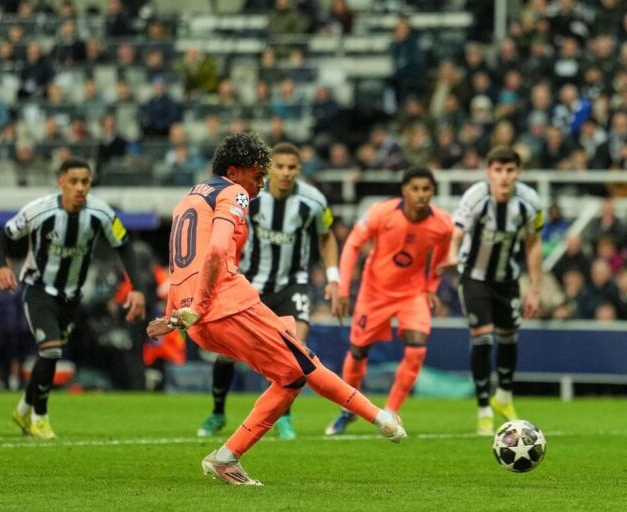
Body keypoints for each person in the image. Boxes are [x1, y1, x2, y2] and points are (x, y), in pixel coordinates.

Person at [147, 133, 405, 486]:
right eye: (257, 175)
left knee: (292, 375)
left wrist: (177, 313)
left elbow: (180, 264)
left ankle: (227, 457)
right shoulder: (234, 192)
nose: (262, 183)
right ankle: (382, 419)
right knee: (305, 364)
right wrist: (201, 304)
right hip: (227, 306)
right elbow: (216, 250)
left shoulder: (189, 198)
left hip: (198, 318)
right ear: (234, 172)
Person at [0, 157, 146, 440]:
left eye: (85, 182)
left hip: (71, 297)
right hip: (38, 289)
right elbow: (1, 237)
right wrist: (2, 266)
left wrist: (137, 287)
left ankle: (23, 409)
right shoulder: (40, 210)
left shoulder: (100, 213)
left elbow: (124, 246)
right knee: (51, 350)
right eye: (73, 181)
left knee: (47, 355)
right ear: (60, 182)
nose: (80, 187)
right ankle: (39, 419)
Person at [197, 142, 341, 440]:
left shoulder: (313, 201)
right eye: (280, 166)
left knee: (296, 351)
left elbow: (326, 237)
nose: (285, 173)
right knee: (227, 354)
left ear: (299, 169)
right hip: (251, 285)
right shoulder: (250, 196)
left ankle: (284, 418)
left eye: (292, 167)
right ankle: (217, 412)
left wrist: (333, 278)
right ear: (269, 168)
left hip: (293, 284)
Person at [325, 167, 454, 435]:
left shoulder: (443, 224)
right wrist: (343, 288)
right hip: (375, 293)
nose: (421, 194)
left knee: (417, 350)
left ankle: (391, 411)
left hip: (412, 294)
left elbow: (443, 256)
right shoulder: (380, 213)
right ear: (404, 190)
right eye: (415, 189)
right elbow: (352, 245)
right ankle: (348, 409)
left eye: (426, 189)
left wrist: (431, 285)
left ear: (433, 192)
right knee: (358, 352)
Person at [440, 146, 543, 436]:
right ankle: (484, 409)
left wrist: (535, 290)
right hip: (474, 277)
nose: (504, 177)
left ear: (518, 173)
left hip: (507, 280)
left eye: (510, 170)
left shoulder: (530, 203)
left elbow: (533, 244)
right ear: (489, 172)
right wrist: (452, 256)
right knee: (483, 337)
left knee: (509, 337)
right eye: (498, 170)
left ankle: (504, 398)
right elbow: (457, 233)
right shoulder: (475, 197)